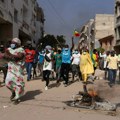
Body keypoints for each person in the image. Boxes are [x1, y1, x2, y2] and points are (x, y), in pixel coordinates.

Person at [4, 38, 25, 104]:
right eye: (11, 42)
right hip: (10, 69)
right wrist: (8, 55)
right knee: (7, 83)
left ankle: (17, 97)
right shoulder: (9, 49)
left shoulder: (21, 50)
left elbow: (17, 58)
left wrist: (9, 54)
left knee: (18, 84)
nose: (12, 44)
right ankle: (13, 92)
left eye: (14, 43)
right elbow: (5, 57)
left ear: (18, 44)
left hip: (18, 70)